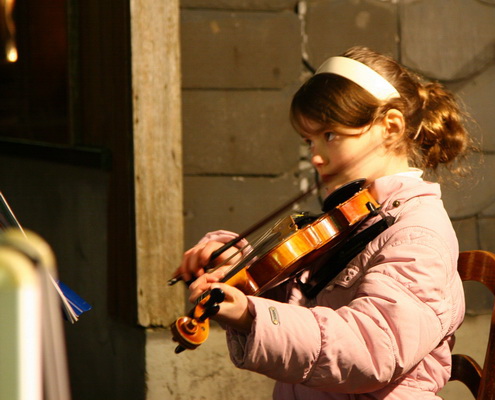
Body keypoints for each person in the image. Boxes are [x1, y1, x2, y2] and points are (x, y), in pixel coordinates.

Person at [173, 46, 474, 399]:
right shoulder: (357, 215)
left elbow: (372, 349)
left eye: (330, 135)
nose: (315, 156)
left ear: (391, 127)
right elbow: (303, 302)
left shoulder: (417, 236)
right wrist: (238, 263)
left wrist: (253, 316)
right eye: (309, 140)